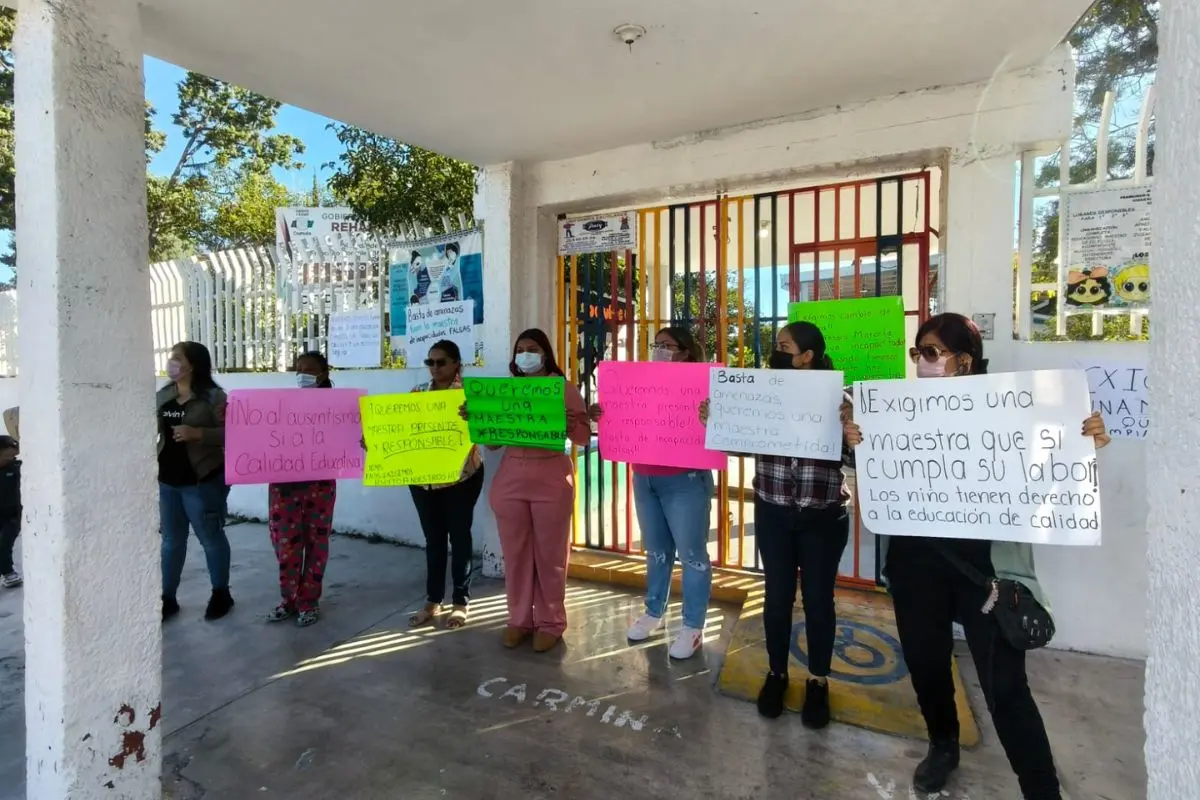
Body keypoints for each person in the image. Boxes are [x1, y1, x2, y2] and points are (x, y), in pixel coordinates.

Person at [842, 313, 1110, 799]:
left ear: (964, 360)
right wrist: (857, 445)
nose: (920, 362)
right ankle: (943, 745)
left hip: (988, 574)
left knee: (1005, 688)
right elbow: (876, 476)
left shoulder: (1012, 408)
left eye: (930, 352)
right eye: (917, 352)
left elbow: (1052, 463)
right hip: (916, 565)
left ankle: (1041, 789)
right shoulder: (898, 410)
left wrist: (1083, 439)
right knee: (926, 666)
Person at [699, 321, 853, 727]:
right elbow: (740, 443)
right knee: (777, 597)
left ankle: (817, 681)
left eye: (785, 347)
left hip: (823, 517)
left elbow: (856, 459)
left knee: (819, 601)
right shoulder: (763, 392)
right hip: (774, 514)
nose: (776, 352)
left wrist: (852, 431)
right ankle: (777, 673)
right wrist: (715, 421)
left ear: (808, 356)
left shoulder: (841, 399)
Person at [588, 327, 714, 659]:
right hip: (644, 477)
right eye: (656, 344)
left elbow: (719, 427)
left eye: (666, 345)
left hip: (685, 480)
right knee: (657, 552)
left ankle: (693, 626)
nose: (658, 350)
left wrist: (712, 414)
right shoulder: (638, 381)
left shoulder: (705, 385)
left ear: (685, 352)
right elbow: (621, 415)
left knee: (692, 555)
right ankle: (654, 612)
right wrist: (603, 413)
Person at [462, 328, 591, 653]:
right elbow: (492, 444)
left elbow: (583, 437)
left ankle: (551, 622)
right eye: (520, 349)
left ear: (545, 353)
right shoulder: (506, 391)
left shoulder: (562, 389)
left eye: (532, 348)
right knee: (516, 555)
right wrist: (478, 418)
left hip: (551, 479)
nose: (525, 355)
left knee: (551, 556)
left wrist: (568, 424)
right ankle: (518, 619)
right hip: (510, 480)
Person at [407, 340, 485, 629]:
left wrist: (475, 416)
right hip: (423, 481)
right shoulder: (417, 393)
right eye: (430, 362)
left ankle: (461, 602)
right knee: (434, 541)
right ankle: (433, 600)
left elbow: (486, 432)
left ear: (456, 363)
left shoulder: (470, 394)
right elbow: (402, 430)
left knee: (460, 538)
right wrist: (377, 441)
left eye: (441, 362)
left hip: (461, 477)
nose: (435, 368)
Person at [157, 341, 234, 621]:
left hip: (202, 481)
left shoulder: (215, 397)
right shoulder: (163, 395)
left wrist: (198, 434)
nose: (171, 362)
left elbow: (233, 433)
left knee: (210, 538)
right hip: (168, 481)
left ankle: (221, 593)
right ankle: (167, 598)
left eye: (177, 358)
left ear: (193, 364)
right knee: (171, 541)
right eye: (172, 357)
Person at [265, 352, 338, 628]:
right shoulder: (282, 404)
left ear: (323, 374)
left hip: (320, 485)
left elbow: (347, 437)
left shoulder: (338, 407)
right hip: (284, 486)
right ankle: (289, 600)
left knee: (316, 544)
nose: (301, 375)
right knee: (285, 545)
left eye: (308, 370)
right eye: (298, 370)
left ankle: (308, 601)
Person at [0, 436, 21, 589]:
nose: (16, 449)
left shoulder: (17, 468)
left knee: (4, 544)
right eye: (12, 446)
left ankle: (8, 572)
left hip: (12, 515)